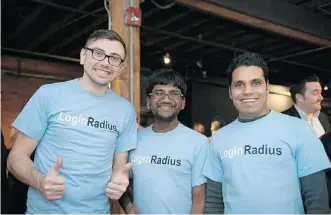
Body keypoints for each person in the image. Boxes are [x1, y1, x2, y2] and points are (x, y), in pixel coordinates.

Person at [7, 29, 137, 214]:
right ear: (83, 56)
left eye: (114, 58)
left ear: (121, 68)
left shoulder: (126, 110)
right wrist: (41, 182)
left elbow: (119, 166)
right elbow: (16, 158)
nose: (105, 63)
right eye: (98, 53)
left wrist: (118, 181)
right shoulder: (49, 94)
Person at [203, 52, 331, 214]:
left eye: (255, 83)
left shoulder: (299, 130)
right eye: (239, 85)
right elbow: (214, 202)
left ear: (267, 87)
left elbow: (317, 202)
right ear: (230, 92)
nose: (247, 91)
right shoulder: (219, 139)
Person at [119, 69, 209, 214]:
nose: (166, 99)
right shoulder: (133, 140)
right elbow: (122, 184)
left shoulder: (199, 143)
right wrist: (129, 207)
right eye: (159, 93)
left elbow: (199, 200)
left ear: (183, 103)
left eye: (174, 93)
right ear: (149, 101)